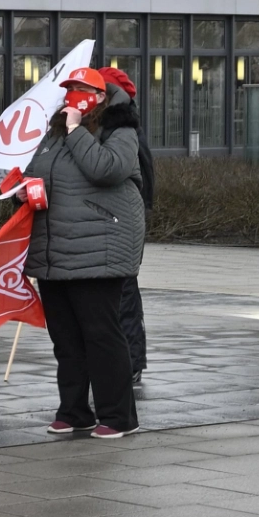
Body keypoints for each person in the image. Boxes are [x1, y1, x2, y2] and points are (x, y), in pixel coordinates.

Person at [28, 67, 146, 438]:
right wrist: (25, 187)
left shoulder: (119, 130)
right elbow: (37, 171)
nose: (73, 96)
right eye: (69, 90)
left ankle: (117, 415)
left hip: (99, 249)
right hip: (56, 250)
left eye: (82, 90)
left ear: (100, 97)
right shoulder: (55, 132)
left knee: (102, 335)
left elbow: (105, 168)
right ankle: (74, 410)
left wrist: (78, 129)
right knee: (66, 338)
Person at [97, 65, 155, 382]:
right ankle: (128, 360)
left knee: (125, 293)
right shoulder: (107, 128)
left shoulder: (126, 131)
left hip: (123, 222)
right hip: (114, 220)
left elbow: (142, 179)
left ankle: (132, 361)